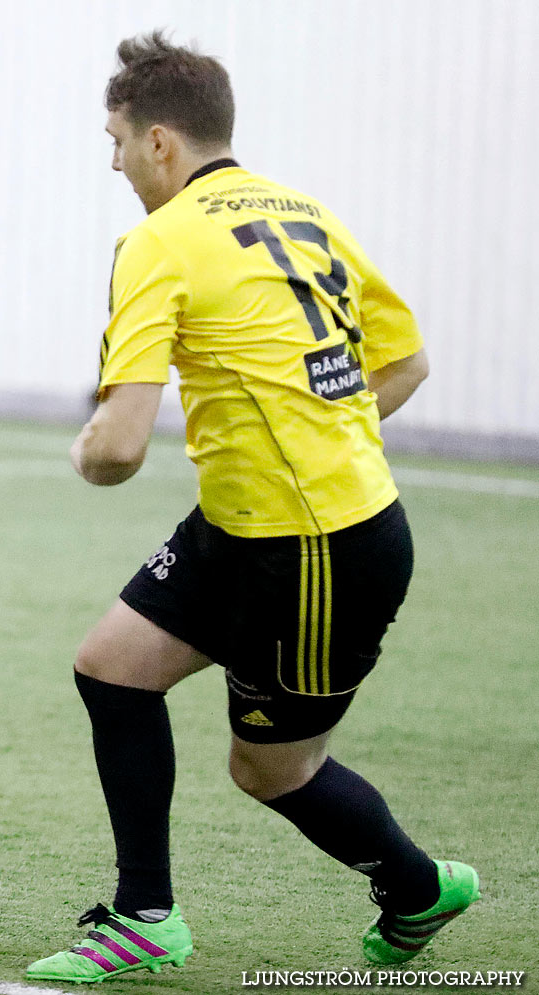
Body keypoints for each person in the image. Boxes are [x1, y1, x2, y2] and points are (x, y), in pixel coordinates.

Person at [24, 31, 477, 984]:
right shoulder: (301, 207)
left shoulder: (158, 240)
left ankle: (417, 885)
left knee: (269, 769)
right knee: (111, 668)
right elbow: (406, 360)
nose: (110, 162)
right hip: (249, 522)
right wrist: (321, 436)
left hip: (318, 548)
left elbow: (115, 448)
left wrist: (84, 447)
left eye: (114, 140)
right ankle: (146, 915)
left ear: (159, 143)